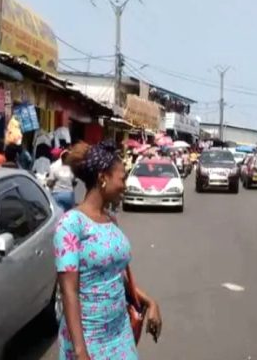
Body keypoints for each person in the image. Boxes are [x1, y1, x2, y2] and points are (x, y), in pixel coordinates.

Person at [55, 141, 162, 360]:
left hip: (120, 333)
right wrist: (81, 352)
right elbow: (69, 291)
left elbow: (116, 275)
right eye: (122, 178)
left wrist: (150, 301)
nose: (125, 185)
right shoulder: (71, 225)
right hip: (87, 338)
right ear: (103, 178)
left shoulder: (110, 220)